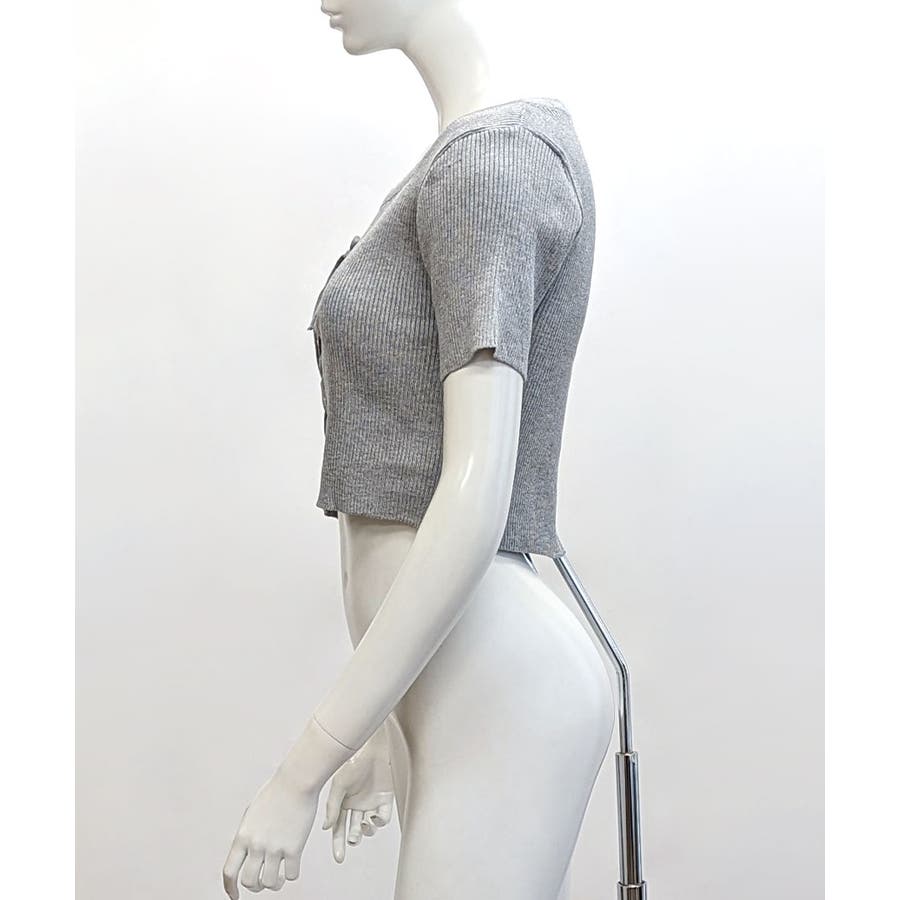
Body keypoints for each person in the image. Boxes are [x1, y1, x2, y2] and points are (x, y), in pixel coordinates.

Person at [223, 2, 615, 897]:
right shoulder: (462, 158)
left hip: (499, 684)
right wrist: (388, 724)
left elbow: (475, 498)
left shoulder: (492, 164)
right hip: (451, 679)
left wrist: (302, 769)